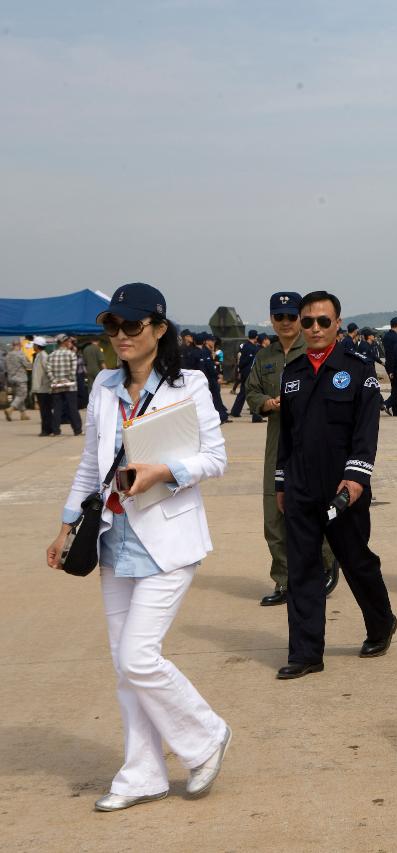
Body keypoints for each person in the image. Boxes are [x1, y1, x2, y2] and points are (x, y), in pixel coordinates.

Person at [45, 282, 232, 812]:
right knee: (123, 667)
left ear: (158, 328)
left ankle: (205, 736)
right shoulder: (104, 386)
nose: (120, 336)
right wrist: (65, 524)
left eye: (131, 326)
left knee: (139, 657)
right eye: (112, 327)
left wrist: (163, 471)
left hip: (168, 538)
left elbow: (215, 458)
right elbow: (89, 464)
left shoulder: (189, 383)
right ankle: (142, 772)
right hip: (113, 536)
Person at [275, 290, 397, 679]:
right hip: (300, 487)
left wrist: (357, 476)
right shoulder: (292, 372)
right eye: (306, 320)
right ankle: (306, 653)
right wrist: (281, 482)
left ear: (337, 324)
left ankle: (381, 623)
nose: (313, 328)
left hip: (344, 488)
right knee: (302, 570)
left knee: (356, 560)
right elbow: (286, 436)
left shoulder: (358, 368)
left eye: (322, 321)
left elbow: (366, 429)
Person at [245, 292, 339, 606]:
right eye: (278, 317)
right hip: (277, 438)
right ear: (271, 319)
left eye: (291, 316)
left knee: (315, 507)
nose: (285, 323)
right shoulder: (266, 356)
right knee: (274, 513)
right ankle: (285, 580)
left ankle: (325, 564)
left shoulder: (314, 349)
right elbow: (252, 391)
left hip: (314, 440)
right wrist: (265, 403)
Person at [45, 333, 83, 436]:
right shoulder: (71, 354)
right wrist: (67, 380)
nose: (70, 343)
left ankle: (56, 430)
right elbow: (73, 370)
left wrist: (55, 380)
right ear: (64, 342)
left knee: (57, 409)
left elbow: (48, 370)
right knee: (72, 408)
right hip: (70, 386)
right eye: (68, 341)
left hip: (56, 386)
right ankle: (77, 430)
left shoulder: (51, 355)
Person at [228, 331, 259, 419]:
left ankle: (236, 411)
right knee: (253, 392)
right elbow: (247, 361)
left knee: (243, 392)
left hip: (245, 372)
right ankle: (255, 413)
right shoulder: (253, 348)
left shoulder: (245, 346)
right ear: (256, 337)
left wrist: (240, 370)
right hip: (249, 372)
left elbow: (241, 360)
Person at [31, 337, 56, 435]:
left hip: (44, 388)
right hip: (40, 388)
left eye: (34, 345)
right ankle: (47, 429)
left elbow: (47, 369)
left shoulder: (43, 356)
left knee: (45, 411)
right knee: (44, 410)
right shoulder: (39, 355)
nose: (33, 346)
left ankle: (46, 430)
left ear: (37, 346)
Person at [4, 340, 30, 422]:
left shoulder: (8, 355)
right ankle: (10, 409)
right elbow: (27, 365)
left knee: (18, 395)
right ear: (20, 345)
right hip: (21, 378)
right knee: (22, 395)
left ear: (12, 345)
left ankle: (23, 414)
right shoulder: (20, 354)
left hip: (11, 378)